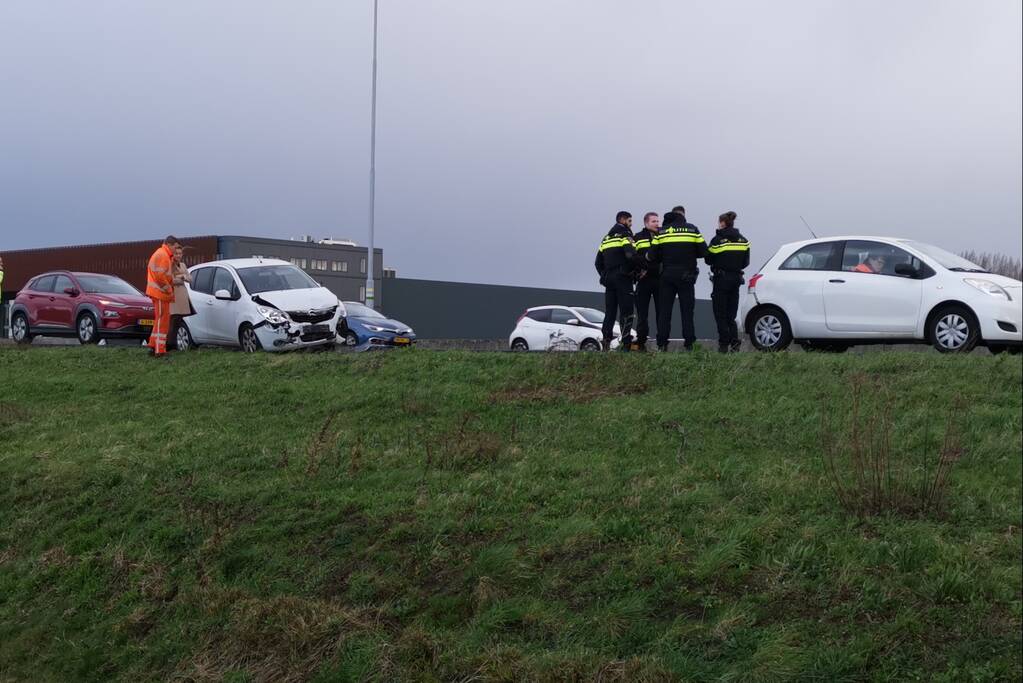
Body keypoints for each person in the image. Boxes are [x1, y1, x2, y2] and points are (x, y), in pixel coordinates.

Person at [647, 205, 707, 351]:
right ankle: (689, 344)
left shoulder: (662, 231)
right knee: (687, 312)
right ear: (683, 215)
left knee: (664, 312)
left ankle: (662, 344)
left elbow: (651, 256)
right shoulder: (692, 229)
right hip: (687, 276)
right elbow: (704, 251)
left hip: (667, 276)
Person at [706, 211, 750, 353]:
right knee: (731, 314)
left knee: (720, 313)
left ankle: (723, 344)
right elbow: (745, 262)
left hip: (721, 280)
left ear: (723, 223)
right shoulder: (744, 240)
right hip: (736, 280)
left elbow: (708, 259)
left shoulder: (717, 240)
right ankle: (735, 343)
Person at [594, 211, 637, 351]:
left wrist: (605, 275)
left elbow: (597, 262)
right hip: (623, 278)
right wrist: (634, 272)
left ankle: (606, 342)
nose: (631, 224)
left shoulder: (606, 239)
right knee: (627, 311)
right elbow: (630, 255)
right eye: (630, 221)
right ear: (623, 220)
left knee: (610, 312)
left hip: (609, 280)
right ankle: (626, 344)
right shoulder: (625, 235)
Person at [145, 235, 180, 357]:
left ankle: (153, 345)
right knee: (162, 321)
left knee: (160, 320)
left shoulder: (161, 254)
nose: (176, 250)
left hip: (158, 292)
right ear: (169, 245)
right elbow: (160, 277)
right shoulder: (163, 255)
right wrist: (169, 290)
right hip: (160, 293)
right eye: (175, 247)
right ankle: (159, 350)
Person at [632, 212, 661, 351]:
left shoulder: (662, 236)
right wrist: (639, 271)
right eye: (654, 221)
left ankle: (662, 343)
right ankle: (641, 342)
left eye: (657, 221)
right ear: (646, 223)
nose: (657, 223)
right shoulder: (637, 237)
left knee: (662, 313)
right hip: (644, 280)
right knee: (642, 314)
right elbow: (633, 257)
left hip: (660, 280)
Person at [169, 244, 195, 332]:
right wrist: (182, 277)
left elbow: (190, 278)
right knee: (173, 319)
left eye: (180, 254)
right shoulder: (170, 264)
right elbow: (170, 280)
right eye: (176, 253)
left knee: (179, 320)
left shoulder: (183, 265)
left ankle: (173, 342)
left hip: (183, 296)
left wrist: (182, 276)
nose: (178, 255)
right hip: (174, 295)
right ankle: (170, 342)